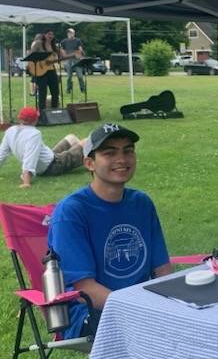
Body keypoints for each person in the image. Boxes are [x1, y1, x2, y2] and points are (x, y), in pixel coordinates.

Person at [47, 123, 173, 339]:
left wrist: (170, 304)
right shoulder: (72, 212)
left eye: (128, 151)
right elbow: (84, 289)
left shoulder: (141, 204)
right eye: (110, 153)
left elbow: (162, 269)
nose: (122, 159)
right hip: (90, 311)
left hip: (141, 304)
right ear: (89, 163)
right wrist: (141, 310)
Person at [0, 107, 84, 187]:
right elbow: (30, 156)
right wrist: (26, 182)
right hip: (52, 166)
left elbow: (1, 153)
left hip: (50, 157)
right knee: (86, 143)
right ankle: (89, 160)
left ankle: (87, 160)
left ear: (20, 119)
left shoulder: (10, 131)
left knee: (71, 138)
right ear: (35, 120)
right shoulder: (34, 134)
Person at [29, 30, 61, 111]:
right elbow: (31, 55)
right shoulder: (38, 44)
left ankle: (55, 111)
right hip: (40, 71)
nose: (51, 36)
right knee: (42, 93)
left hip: (51, 70)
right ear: (44, 35)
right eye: (49, 34)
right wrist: (41, 61)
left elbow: (57, 57)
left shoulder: (54, 46)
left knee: (55, 92)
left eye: (52, 34)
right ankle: (42, 113)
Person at [60, 27, 87, 97]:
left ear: (74, 33)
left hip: (76, 60)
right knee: (69, 77)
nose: (69, 34)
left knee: (80, 76)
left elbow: (80, 49)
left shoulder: (77, 40)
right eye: (68, 33)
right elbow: (61, 50)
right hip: (68, 60)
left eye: (71, 33)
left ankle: (83, 89)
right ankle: (68, 90)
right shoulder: (64, 41)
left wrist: (80, 54)